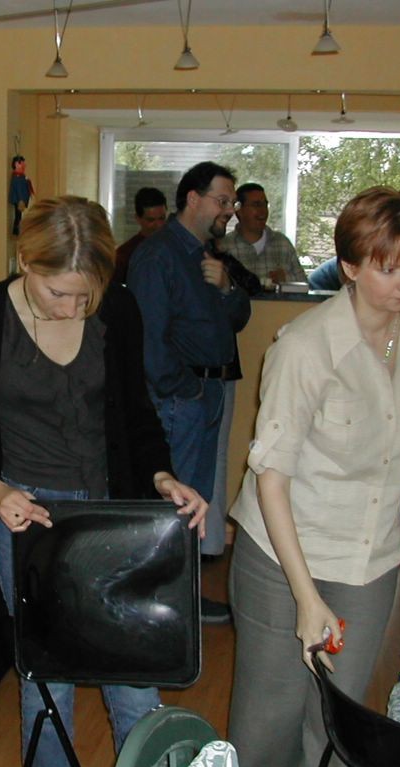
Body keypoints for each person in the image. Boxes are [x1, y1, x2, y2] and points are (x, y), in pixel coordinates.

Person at [0, 195, 208, 767]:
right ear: (25, 261)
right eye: (59, 293)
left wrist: (161, 476)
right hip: (27, 519)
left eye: (87, 295)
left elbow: (137, 413)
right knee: (48, 682)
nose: (74, 308)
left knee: (133, 677)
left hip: (110, 516)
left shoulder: (117, 310)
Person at [226, 187, 400, 767]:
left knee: (339, 720)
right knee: (270, 720)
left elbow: (399, 433)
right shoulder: (305, 347)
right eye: (389, 268)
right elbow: (271, 478)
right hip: (282, 559)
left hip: (369, 559)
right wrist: (306, 599)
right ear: (350, 267)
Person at [128, 161, 251, 625]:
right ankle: (160, 601)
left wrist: (227, 287)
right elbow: (148, 341)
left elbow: (239, 317)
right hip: (183, 398)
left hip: (210, 391)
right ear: (193, 199)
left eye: (232, 202)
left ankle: (182, 597)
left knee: (194, 501)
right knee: (176, 504)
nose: (230, 210)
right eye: (223, 201)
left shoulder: (209, 255)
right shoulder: (158, 256)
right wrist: (185, 391)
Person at [219, 183, 305, 285]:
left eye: (265, 205)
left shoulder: (282, 243)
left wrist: (285, 279)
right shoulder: (224, 247)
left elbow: (304, 286)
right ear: (239, 210)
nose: (263, 211)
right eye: (256, 205)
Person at [112, 187, 168, 284]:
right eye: (151, 220)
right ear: (138, 218)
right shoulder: (124, 255)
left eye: (162, 218)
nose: (158, 225)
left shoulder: (175, 246)